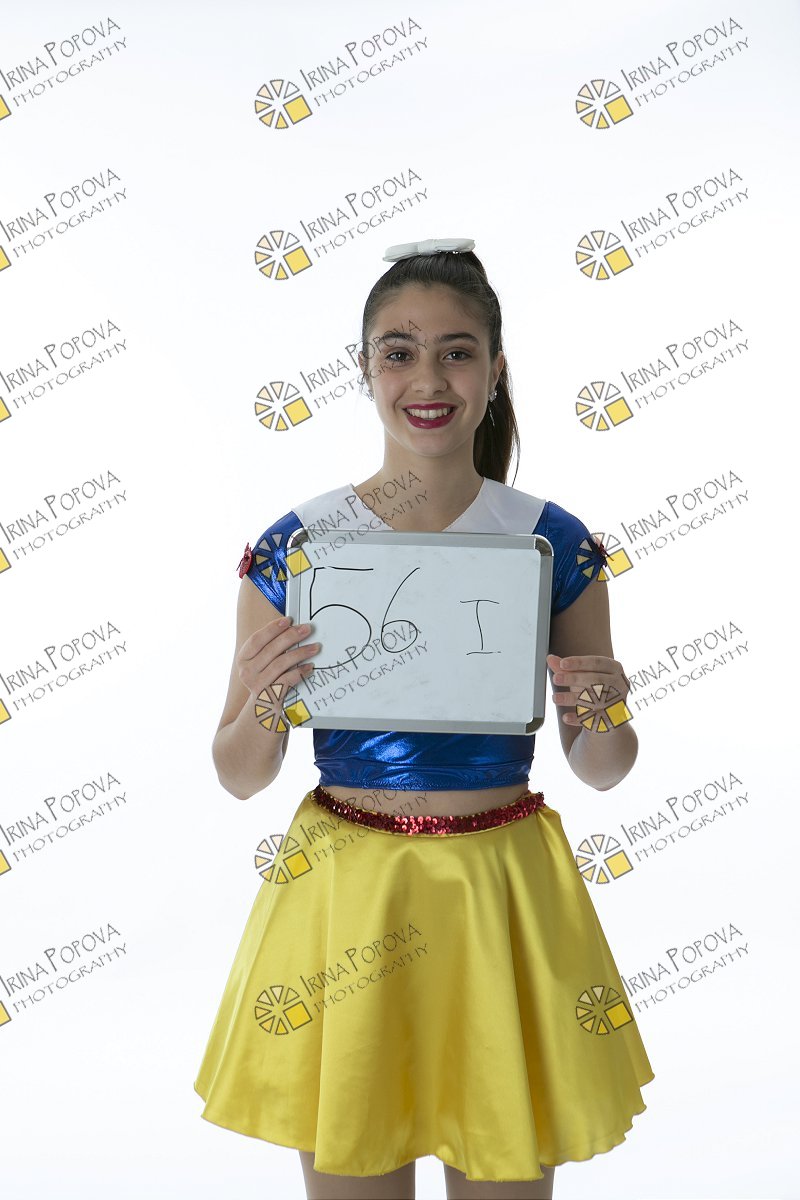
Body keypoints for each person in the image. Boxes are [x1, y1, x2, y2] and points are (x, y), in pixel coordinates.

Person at [193, 238, 655, 1200]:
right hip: (348, 887)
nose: (429, 378)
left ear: (495, 369)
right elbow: (239, 773)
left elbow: (604, 765)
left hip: (499, 890)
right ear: (365, 369)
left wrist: (604, 706)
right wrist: (267, 697)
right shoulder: (299, 546)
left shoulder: (549, 541)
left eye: (457, 351)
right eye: (399, 352)